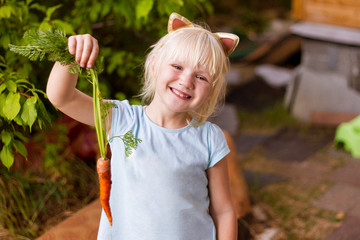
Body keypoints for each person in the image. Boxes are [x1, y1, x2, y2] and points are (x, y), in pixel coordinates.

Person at [46, 12, 239, 240]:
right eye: (177, 66)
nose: (186, 81)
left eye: (201, 77)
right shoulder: (122, 119)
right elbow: (62, 98)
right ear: (155, 65)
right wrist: (71, 55)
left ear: (211, 91)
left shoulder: (209, 138)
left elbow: (224, 211)